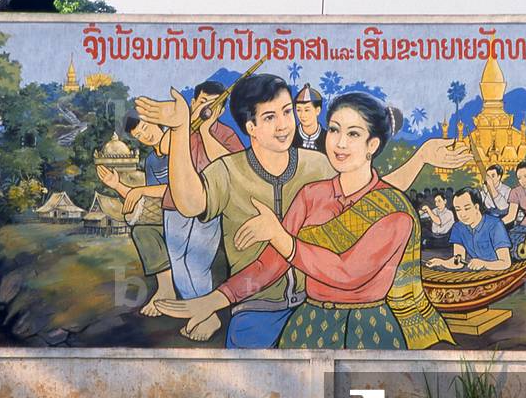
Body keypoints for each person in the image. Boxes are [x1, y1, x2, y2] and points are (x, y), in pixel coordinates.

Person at [135, 73, 471, 346]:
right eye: (334, 130)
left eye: (353, 134)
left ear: (373, 144)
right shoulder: (308, 192)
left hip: (363, 324)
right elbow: (268, 260)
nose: (340, 143)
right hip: (289, 316)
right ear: (250, 127)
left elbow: (349, 265)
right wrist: (212, 301)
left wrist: (420, 157)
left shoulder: (367, 195)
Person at [161, 81, 244, 321]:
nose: (207, 108)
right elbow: (163, 147)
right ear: (193, 102)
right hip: (174, 204)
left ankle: (206, 315)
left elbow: (232, 165)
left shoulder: (225, 134)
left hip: (209, 205)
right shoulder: (180, 128)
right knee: (177, 260)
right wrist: (188, 124)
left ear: (221, 110)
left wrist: (206, 131)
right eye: (203, 102)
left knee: (199, 262)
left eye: (214, 105)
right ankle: (200, 314)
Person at [98, 115, 175, 316]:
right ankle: (166, 288)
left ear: (158, 122)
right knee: (142, 230)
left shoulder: (180, 148)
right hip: (167, 211)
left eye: (146, 128)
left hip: (192, 209)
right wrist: (117, 185)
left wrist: (139, 191)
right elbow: (150, 197)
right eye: (139, 135)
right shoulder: (151, 161)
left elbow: (181, 189)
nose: (145, 136)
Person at [425, 188, 512, 271]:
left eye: (467, 208)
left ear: (476, 207)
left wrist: (484, 264)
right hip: (477, 274)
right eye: (458, 210)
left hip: (498, 272)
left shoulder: (495, 225)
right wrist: (441, 262)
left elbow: (506, 263)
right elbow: (458, 262)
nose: (462, 214)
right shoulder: (458, 227)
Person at [292, 83, 326, 154]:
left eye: (307, 110)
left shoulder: (326, 137)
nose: (302, 115)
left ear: (317, 110)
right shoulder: (291, 135)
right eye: (298, 110)